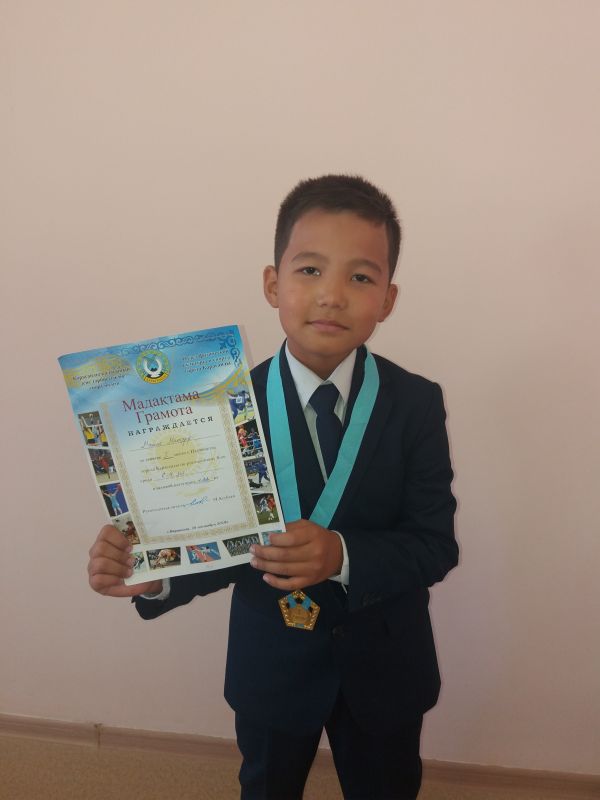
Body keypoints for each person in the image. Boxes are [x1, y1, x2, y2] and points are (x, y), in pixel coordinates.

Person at [87, 174, 458, 799]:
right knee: (266, 788)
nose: (332, 295)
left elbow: (434, 544)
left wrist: (343, 555)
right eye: (310, 270)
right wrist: (158, 570)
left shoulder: (416, 403)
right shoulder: (218, 407)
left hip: (386, 662)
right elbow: (219, 540)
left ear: (388, 299)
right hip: (271, 662)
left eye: (360, 277)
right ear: (272, 284)